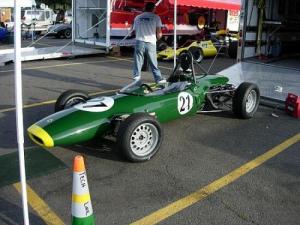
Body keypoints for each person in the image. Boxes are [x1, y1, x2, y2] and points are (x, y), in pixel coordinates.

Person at [132, 2, 165, 84]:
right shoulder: (156, 17)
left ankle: (137, 78)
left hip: (139, 41)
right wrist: (158, 38)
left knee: (138, 61)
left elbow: (134, 31)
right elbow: (159, 33)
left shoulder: (138, 17)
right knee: (153, 63)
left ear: (145, 8)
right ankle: (158, 79)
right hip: (151, 42)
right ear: (153, 9)